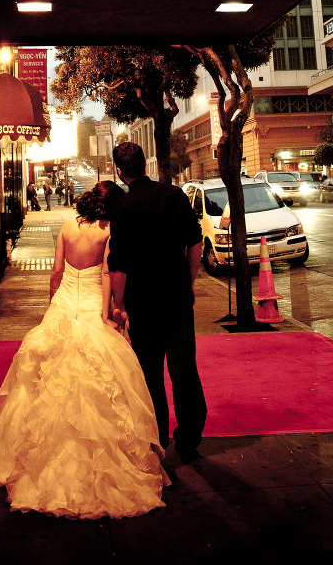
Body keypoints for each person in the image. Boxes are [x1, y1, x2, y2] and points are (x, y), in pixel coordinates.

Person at [0, 179, 168, 518]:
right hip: (92, 302)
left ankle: (29, 459)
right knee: (103, 372)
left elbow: (56, 271)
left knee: (45, 374)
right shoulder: (109, 231)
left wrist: (53, 306)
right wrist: (109, 312)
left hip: (64, 302)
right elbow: (107, 274)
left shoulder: (66, 226)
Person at [108, 142, 207, 461]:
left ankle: (158, 437)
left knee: (149, 372)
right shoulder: (175, 195)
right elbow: (196, 242)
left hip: (143, 302)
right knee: (184, 367)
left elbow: (119, 264)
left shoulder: (123, 207)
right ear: (144, 165)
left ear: (120, 172)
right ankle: (190, 437)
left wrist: (120, 305)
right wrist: (188, 281)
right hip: (177, 297)